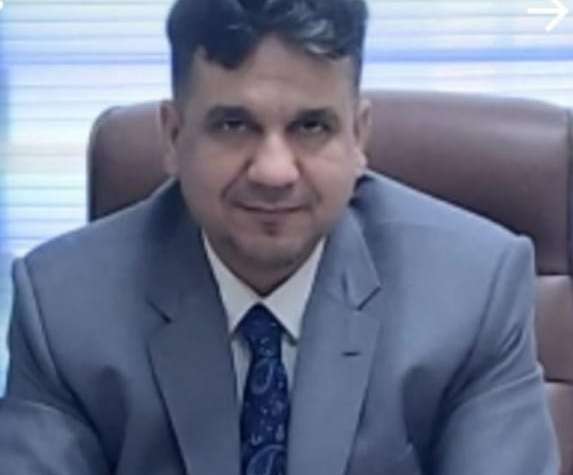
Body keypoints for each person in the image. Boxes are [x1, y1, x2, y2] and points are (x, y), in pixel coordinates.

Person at [0, 0, 559, 473]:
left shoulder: (474, 292)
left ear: (359, 136)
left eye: (311, 127)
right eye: (233, 125)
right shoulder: (63, 308)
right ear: (173, 137)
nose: (273, 171)